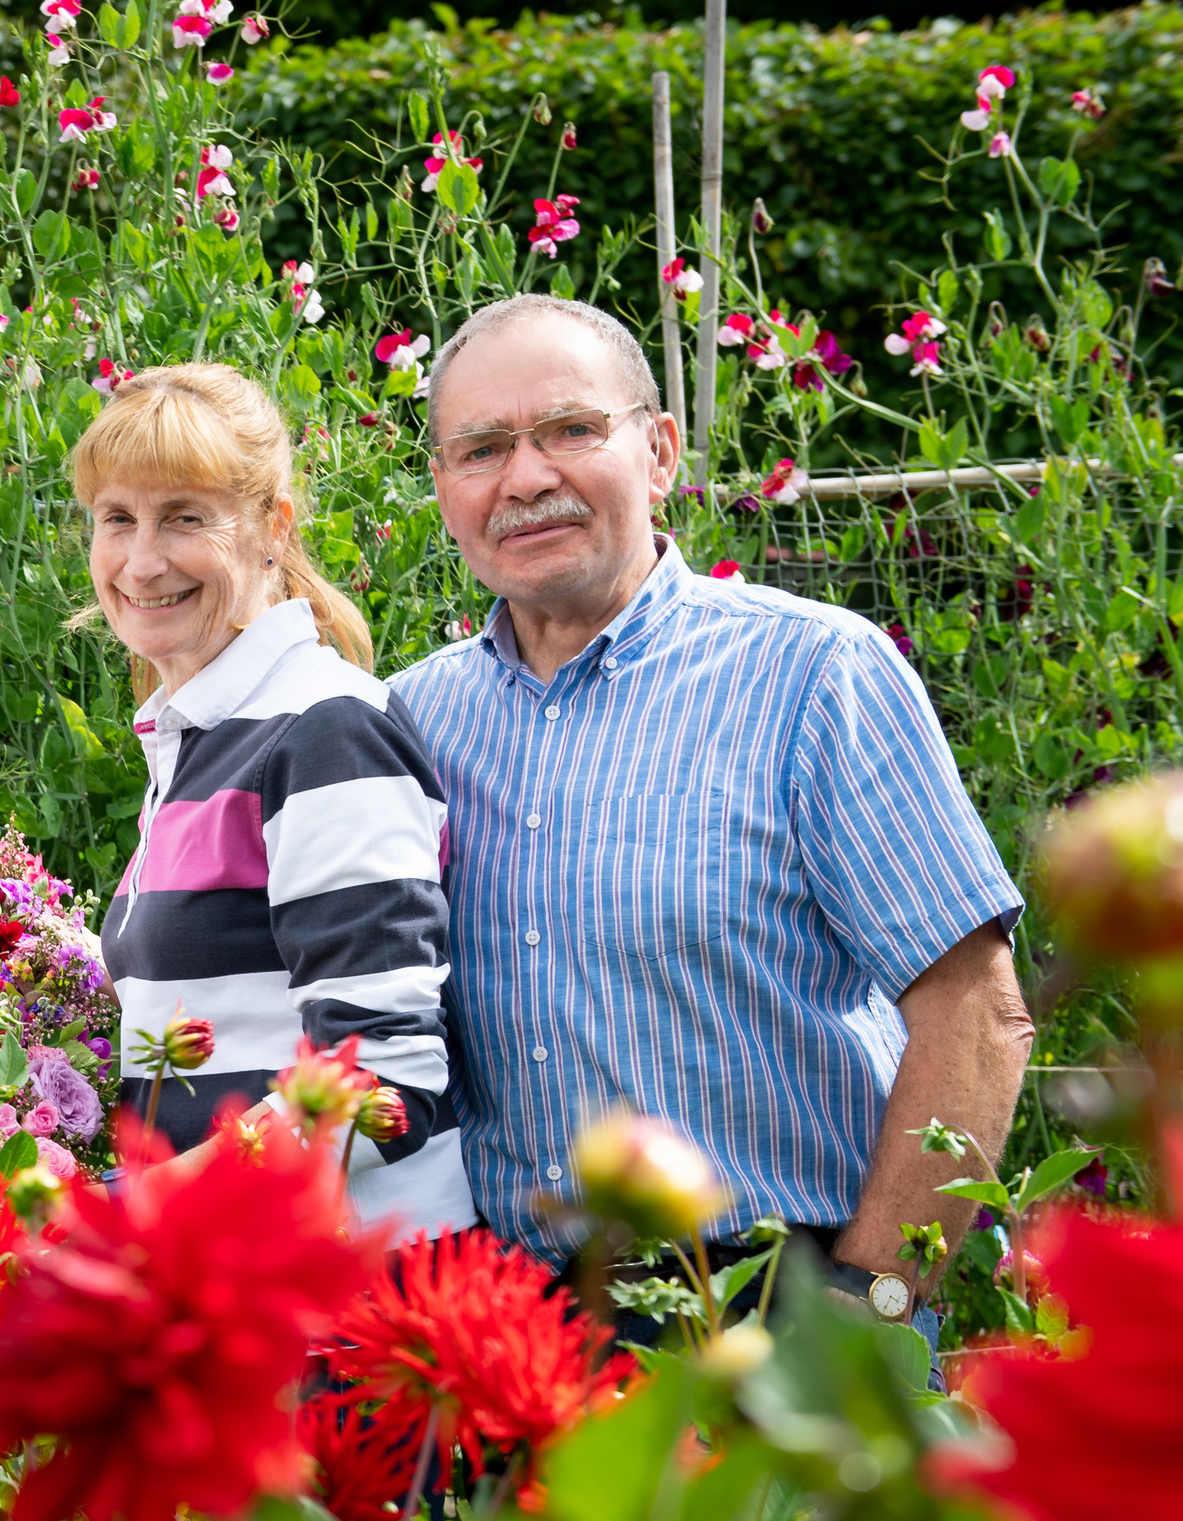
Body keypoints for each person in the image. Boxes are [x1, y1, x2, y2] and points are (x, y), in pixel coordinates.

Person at [389, 293, 1033, 1319]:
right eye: (482, 449)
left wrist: (870, 1299)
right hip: (528, 1332)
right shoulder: (411, 722)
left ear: (659, 451)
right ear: (443, 487)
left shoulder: (815, 675)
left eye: (570, 430)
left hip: (780, 1302)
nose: (526, 478)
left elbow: (975, 1012)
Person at [78, 362, 477, 1238]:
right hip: (239, 1274)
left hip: (355, 1297)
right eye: (118, 519)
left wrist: (130, 1210)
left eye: (185, 517)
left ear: (273, 529)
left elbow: (377, 1078)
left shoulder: (321, 731)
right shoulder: (203, 732)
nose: (143, 561)